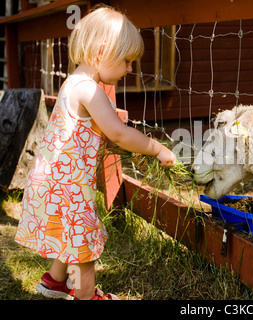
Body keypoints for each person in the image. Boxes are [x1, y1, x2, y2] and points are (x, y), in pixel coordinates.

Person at [14, 5, 176, 300]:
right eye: (127, 61)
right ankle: (87, 296)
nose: (129, 69)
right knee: (83, 245)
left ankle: (54, 282)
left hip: (57, 181)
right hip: (68, 186)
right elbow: (117, 132)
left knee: (71, 234)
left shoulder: (73, 83)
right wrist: (157, 148)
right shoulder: (89, 89)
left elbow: (96, 135)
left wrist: (126, 146)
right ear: (102, 51)